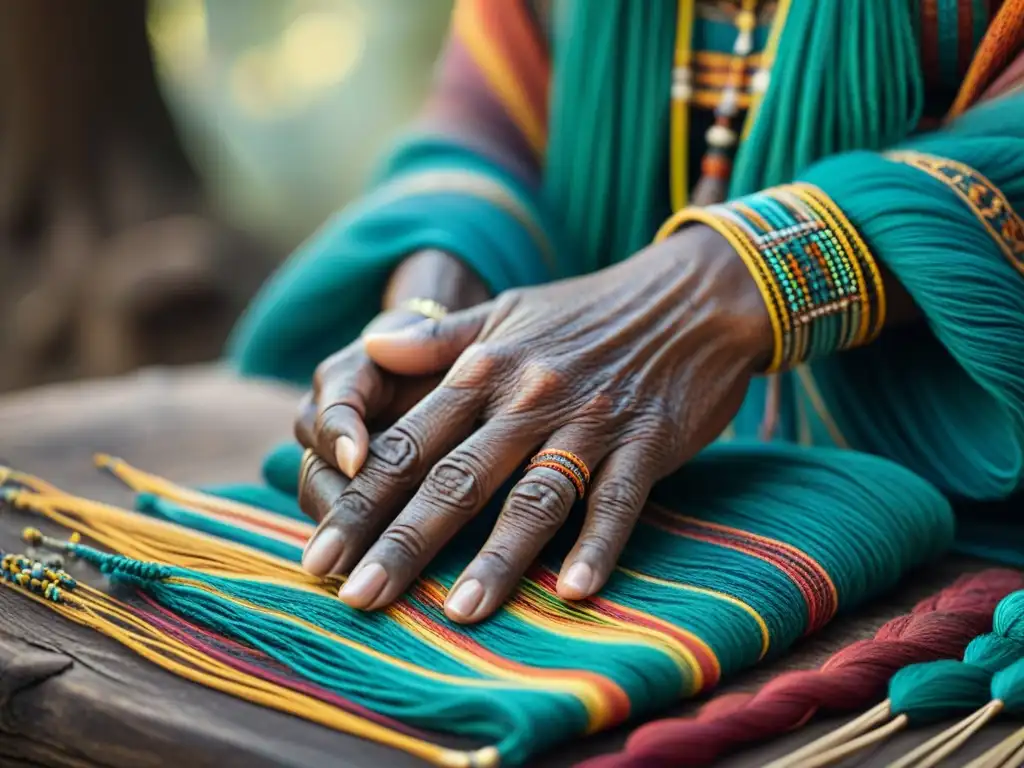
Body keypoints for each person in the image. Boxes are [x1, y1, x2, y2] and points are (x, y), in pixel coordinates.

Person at [228, 0, 1024, 626]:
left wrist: (721, 284)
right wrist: (438, 312)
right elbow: (487, 121)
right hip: (590, 425)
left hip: (952, 507)